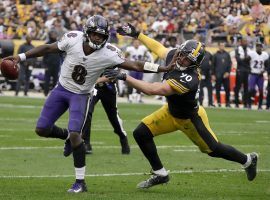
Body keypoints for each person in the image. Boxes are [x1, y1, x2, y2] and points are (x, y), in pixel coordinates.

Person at [3, 15, 174, 193]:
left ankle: (80, 182)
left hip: (81, 95)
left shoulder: (109, 53)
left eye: (101, 36)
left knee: (77, 134)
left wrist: (163, 68)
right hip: (61, 90)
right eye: (94, 34)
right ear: (87, 32)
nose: (97, 38)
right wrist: (19, 57)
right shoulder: (73, 39)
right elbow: (47, 48)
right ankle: (67, 137)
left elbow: (136, 66)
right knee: (41, 129)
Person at [111, 23, 258, 189]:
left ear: (194, 64)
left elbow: (153, 90)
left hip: (190, 119)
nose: (181, 59)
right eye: (182, 54)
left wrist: (123, 76)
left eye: (187, 59)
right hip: (170, 112)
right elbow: (159, 48)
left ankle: (248, 160)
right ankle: (160, 173)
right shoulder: (175, 55)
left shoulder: (189, 78)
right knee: (141, 133)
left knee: (213, 149)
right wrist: (138, 34)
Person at [247, 42, 269, 109]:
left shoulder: (265, 55)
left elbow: (267, 65)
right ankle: (249, 104)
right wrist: (249, 69)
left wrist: (264, 70)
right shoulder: (252, 54)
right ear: (256, 47)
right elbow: (245, 61)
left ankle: (259, 106)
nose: (259, 48)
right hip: (253, 74)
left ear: (262, 47)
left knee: (261, 90)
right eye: (257, 46)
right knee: (251, 90)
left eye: (260, 46)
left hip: (260, 75)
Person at [212, 42, 232, 107]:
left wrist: (228, 72)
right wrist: (213, 74)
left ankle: (227, 102)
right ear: (218, 46)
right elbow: (213, 66)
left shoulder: (227, 54)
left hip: (226, 75)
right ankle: (218, 102)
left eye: (223, 45)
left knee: (227, 89)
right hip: (218, 75)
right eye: (221, 45)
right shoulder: (215, 55)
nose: (222, 46)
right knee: (218, 89)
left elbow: (229, 64)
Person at [43, 30, 61, 96]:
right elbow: (44, 56)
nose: (54, 35)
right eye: (53, 34)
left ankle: (53, 93)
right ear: (50, 35)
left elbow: (61, 55)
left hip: (56, 65)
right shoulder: (47, 43)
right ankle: (45, 93)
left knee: (55, 80)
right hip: (48, 65)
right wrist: (45, 66)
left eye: (55, 34)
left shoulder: (58, 43)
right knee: (47, 80)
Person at [234, 37, 251, 108]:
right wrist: (245, 60)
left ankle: (245, 103)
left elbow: (250, 59)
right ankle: (236, 103)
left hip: (247, 71)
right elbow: (238, 60)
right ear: (241, 42)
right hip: (240, 70)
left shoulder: (249, 50)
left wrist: (244, 60)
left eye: (246, 41)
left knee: (246, 87)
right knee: (238, 87)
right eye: (244, 41)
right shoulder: (237, 49)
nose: (245, 43)